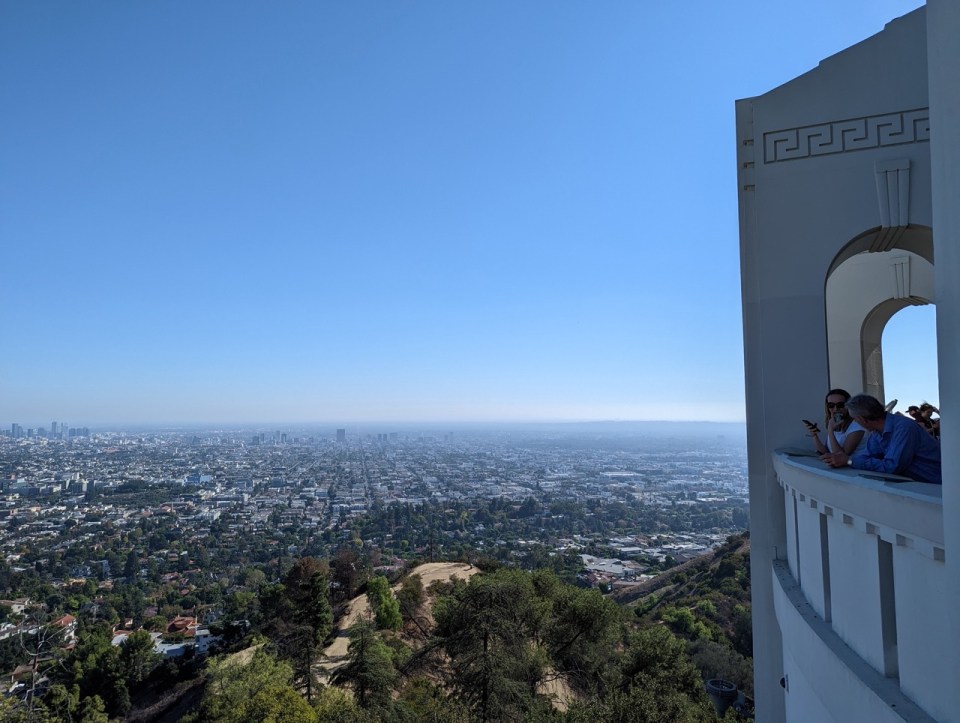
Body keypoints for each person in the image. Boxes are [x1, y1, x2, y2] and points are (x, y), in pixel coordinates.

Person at [821, 394, 942, 484]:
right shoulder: (876, 433)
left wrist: (848, 461)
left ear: (862, 419)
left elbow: (892, 466)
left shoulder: (904, 428)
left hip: (937, 488)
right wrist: (848, 460)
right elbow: (866, 456)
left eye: (855, 420)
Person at [803, 389, 866, 456]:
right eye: (831, 405)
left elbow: (840, 456)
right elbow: (827, 451)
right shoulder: (835, 424)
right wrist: (814, 435)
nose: (835, 409)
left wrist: (830, 430)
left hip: (854, 465)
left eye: (840, 405)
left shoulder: (857, 426)